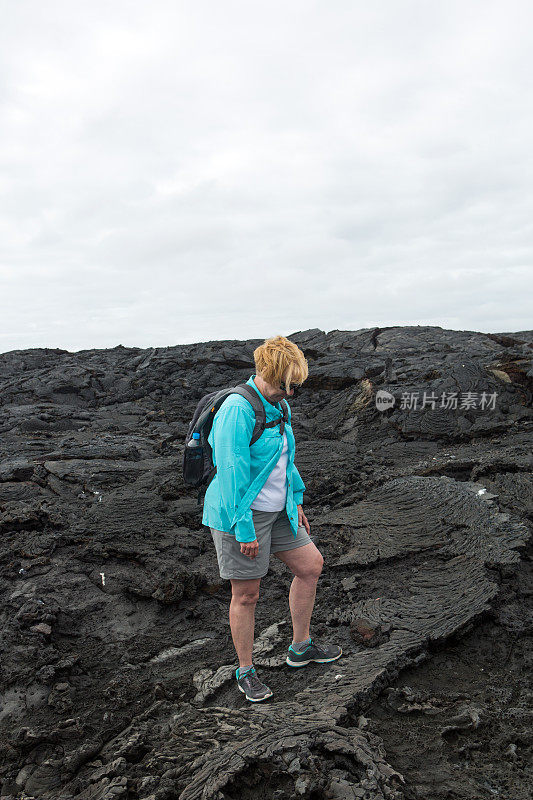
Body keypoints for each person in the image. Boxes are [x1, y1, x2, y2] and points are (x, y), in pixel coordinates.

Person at [202, 335, 342, 702]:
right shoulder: (238, 409)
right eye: (287, 385)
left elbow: (284, 459)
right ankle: (245, 671)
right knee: (247, 594)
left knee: (311, 565)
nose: (292, 393)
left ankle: (300, 647)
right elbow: (232, 474)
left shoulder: (280, 406)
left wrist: (294, 500)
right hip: (239, 515)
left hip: (278, 510)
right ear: (267, 373)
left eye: (296, 386)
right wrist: (244, 529)